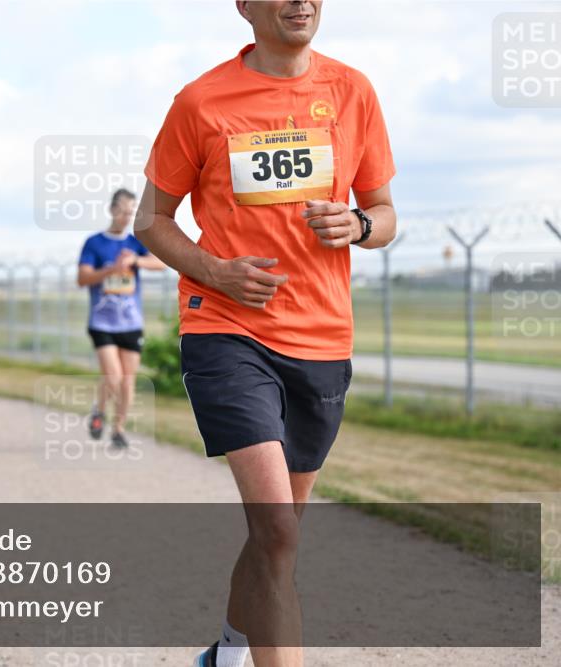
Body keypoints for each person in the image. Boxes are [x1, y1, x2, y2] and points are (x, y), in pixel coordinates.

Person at [133, 3, 397, 666]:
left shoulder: (353, 91)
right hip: (226, 330)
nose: (300, 1)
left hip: (321, 339)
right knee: (276, 526)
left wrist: (358, 226)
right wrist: (215, 270)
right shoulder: (200, 101)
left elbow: (387, 212)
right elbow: (151, 220)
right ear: (245, 5)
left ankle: (226, 651)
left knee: (277, 536)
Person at [77, 188, 165, 449]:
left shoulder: (134, 242)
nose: (126, 217)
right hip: (102, 323)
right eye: (123, 211)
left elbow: (160, 263)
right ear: (112, 209)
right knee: (113, 377)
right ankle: (100, 409)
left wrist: (137, 260)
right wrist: (111, 270)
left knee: (128, 382)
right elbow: (83, 279)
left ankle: (118, 429)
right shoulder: (94, 243)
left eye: (131, 212)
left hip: (131, 322)